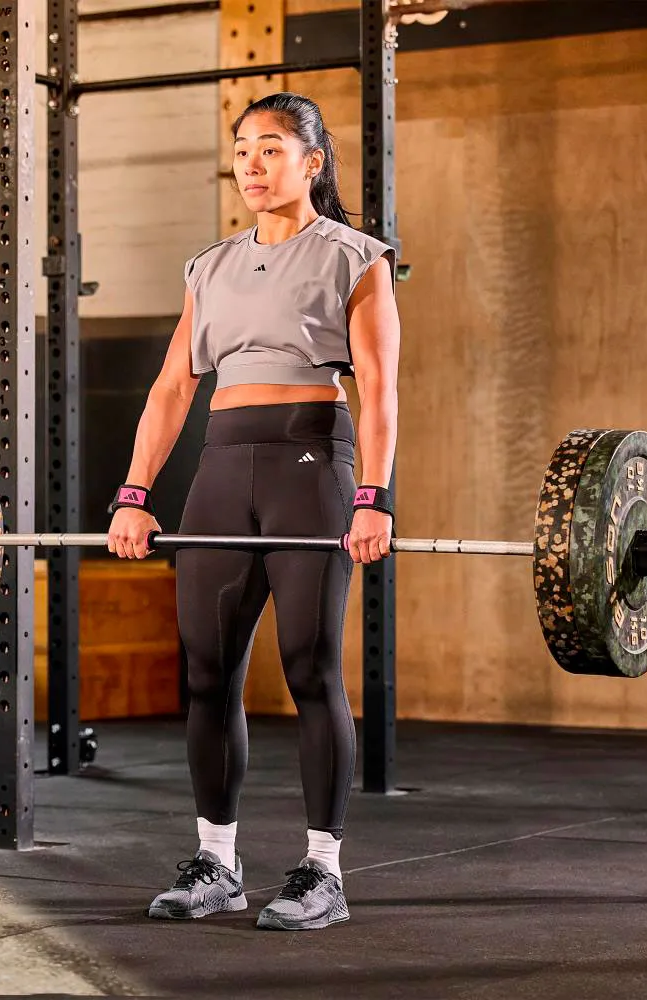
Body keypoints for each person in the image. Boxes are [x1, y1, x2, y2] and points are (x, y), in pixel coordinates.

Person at [106, 92, 401, 931]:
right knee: (207, 672)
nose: (252, 165)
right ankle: (217, 863)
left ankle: (322, 871)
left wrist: (374, 497)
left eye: (271, 148)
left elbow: (380, 388)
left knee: (309, 666)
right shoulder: (210, 267)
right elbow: (172, 389)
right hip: (222, 467)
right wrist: (134, 493)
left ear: (313, 161)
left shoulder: (356, 257)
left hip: (310, 463)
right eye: (242, 150)